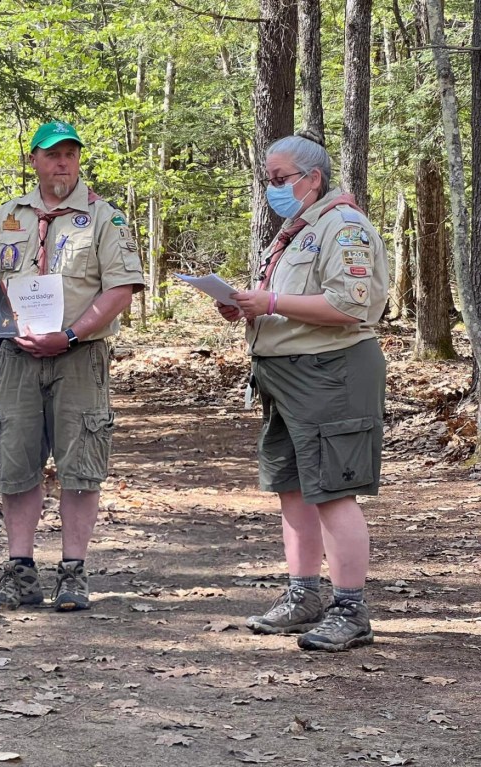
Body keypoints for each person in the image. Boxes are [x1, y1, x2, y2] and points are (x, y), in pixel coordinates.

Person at [217, 131, 388, 651]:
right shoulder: (295, 229)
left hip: (331, 372)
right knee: (292, 486)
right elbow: (288, 298)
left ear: (313, 178)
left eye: (281, 179)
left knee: (333, 491)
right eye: (268, 180)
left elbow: (349, 306)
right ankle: (303, 594)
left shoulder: (344, 226)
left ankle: (350, 608)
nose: (273, 189)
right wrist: (243, 305)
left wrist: (269, 302)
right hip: (283, 374)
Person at [0, 120, 145, 611]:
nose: (62, 162)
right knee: (15, 462)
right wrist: (8, 327)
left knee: (81, 464)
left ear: (79, 159)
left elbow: (121, 289)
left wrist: (70, 333)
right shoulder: (6, 216)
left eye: (70, 153)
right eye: (51, 154)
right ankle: (20, 571)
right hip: (17, 357)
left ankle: (73, 572)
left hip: (80, 357)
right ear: (34, 161)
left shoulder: (105, 218)